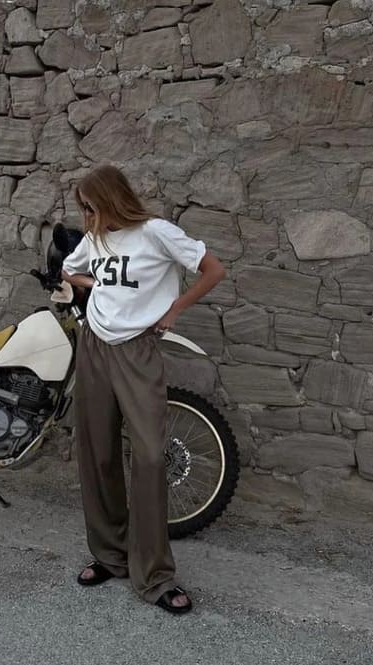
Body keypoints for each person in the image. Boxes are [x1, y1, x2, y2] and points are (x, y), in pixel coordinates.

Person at [61, 165, 225, 614]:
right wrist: (97, 286)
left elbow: (212, 270)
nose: (88, 215)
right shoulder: (95, 238)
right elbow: (69, 271)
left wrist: (174, 308)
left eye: (92, 205)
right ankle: (110, 556)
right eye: (84, 208)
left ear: (112, 198)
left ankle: (154, 575)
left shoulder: (157, 233)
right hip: (94, 346)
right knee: (98, 453)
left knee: (151, 456)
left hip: (137, 351)